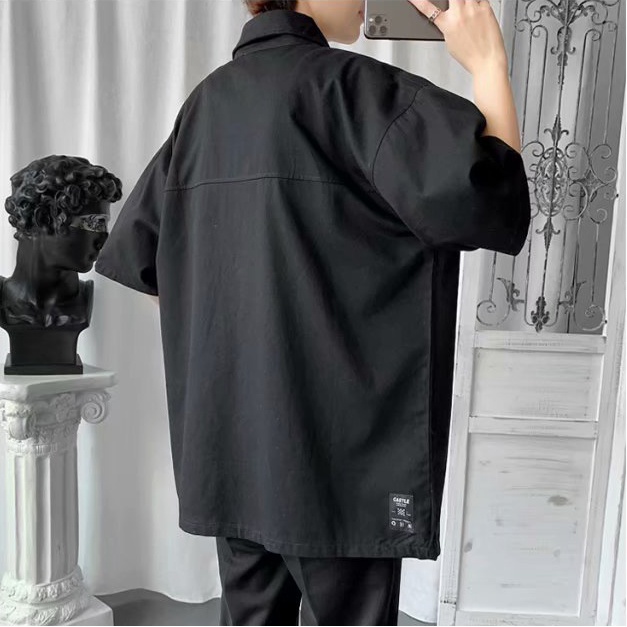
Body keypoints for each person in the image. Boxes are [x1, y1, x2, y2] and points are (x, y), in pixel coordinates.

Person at [94, 0, 531, 624]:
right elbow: (489, 202)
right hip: (341, 461)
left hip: (235, 454)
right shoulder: (358, 93)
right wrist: (488, 64)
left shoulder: (207, 104)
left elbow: (145, 261)